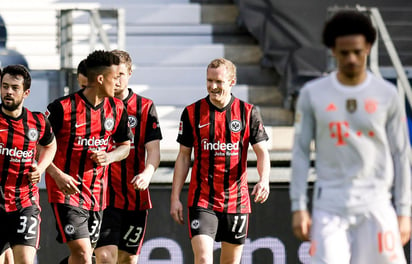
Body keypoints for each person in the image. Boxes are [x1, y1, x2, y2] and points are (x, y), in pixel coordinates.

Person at [290, 10, 411, 264]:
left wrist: (404, 211)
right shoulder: (313, 94)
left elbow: (401, 153)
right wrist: (298, 205)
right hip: (330, 206)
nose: (352, 59)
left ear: (368, 46)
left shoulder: (387, 94)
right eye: (344, 53)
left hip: (376, 205)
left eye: (358, 51)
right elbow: (300, 151)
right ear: (333, 51)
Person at [170, 58, 271, 264]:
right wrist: (175, 197)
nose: (213, 86)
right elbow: (183, 157)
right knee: (204, 258)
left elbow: (262, 152)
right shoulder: (192, 112)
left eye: (219, 81)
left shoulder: (248, 112)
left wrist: (264, 180)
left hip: (237, 201)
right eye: (209, 80)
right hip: (202, 200)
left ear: (232, 81)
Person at [45, 50, 131, 264]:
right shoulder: (61, 108)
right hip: (66, 192)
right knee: (84, 254)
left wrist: (109, 157)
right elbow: (38, 147)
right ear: (101, 79)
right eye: (115, 77)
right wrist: (57, 175)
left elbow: (125, 146)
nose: (119, 82)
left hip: (97, 195)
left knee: (83, 257)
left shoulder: (118, 108)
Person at [94, 50, 162, 264]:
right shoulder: (95, 106)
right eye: (111, 74)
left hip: (134, 197)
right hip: (102, 196)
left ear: (130, 72)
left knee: (127, 260)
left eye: (120, 74)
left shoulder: (145, 107)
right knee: (105, 257)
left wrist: (147, 173)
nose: (116, 80)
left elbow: (153, 150)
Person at [0, 65, 57, 264]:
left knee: (24, 261)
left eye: (14, 88)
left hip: (24, 204)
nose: (8, 92)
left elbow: (50, 146)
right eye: (5, 86)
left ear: (26, 92)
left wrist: (40, 168)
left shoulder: (38, 122)